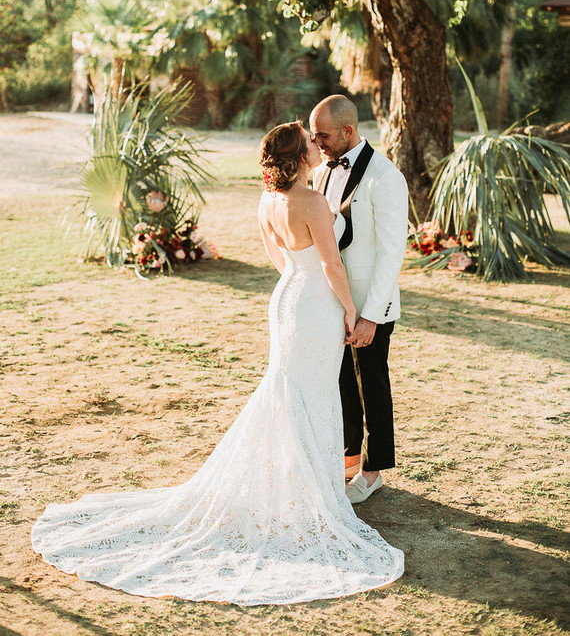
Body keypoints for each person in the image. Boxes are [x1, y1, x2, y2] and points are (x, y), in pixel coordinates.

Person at [31, 121, 404, 606]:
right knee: (312, 395)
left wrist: (301, 278)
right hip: (316, 305)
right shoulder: (310, 202)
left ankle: (296, 482)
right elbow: (332, 265)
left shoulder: (268, 200)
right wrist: (351, 310)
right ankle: (311, 493)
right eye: (311, 141)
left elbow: (279, 258)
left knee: (287, 392)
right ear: (299, 156)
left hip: (286, 298)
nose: (318, 144)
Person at [310, 96, 408, 505]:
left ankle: (373, 470)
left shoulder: (386, 178)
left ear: (348, 132)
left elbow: (391, 253)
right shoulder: (318, 174)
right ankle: (349, 458)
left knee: (372, 386)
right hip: (331, 300)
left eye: (323, 136)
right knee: (340, 384)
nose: (317, 144)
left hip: (370, 304)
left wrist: (370, 316)